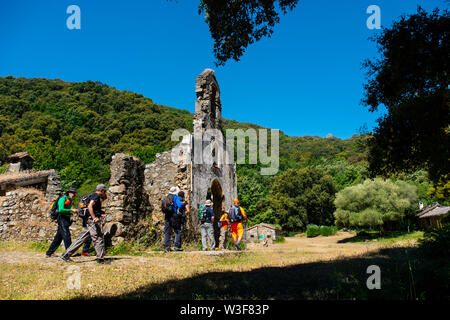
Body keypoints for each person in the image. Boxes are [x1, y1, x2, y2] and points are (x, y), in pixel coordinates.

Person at [61, 184, 108, 264]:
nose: (105, 193)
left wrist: (100, 214)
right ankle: (100, 259)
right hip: (91, 220)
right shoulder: (96, 196)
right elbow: (90, 206)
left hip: (87, 219)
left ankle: (66, 254)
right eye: (104, 191)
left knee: (81, 238)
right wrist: (94, 218)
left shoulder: (91, 195)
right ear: (102, 190)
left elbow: (94, 208)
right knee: (97, 237)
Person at [46, 188, 78, 257]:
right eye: (72, 193)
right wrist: (71, 210)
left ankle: (49, 253)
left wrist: (70, 212)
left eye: (74, 193)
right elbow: (60, 210)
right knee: (66, 235)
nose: (74, 194)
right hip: (61, 218)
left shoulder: (69, 200)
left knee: (58, 237)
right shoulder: (62, 199)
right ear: (68, 192)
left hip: (66, 218)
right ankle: (69, 252)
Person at [164, 187, 189, 252]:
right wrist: (183, 203)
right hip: (174, 216)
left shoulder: (167, 197)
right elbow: (179, 205)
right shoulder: (176, 197)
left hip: (167, 216)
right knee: (178, 230)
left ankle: (167, 247)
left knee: (167, 232)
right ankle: (176, 246)